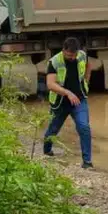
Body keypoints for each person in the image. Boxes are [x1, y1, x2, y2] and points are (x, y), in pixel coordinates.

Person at [42, 37, 93, 169]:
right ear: (63, 50)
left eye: (73, 55)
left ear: (77, 51)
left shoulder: (82, 56)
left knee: (84, 127)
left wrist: (86, 82)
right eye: (68, 54)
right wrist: (67, 93)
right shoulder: (54, 62)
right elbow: (50, 84)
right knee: (53, 130)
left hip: (79, 100)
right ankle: (47, 151)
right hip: (60, 102)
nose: (71, 57)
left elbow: (88, 66)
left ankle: (87, 162)